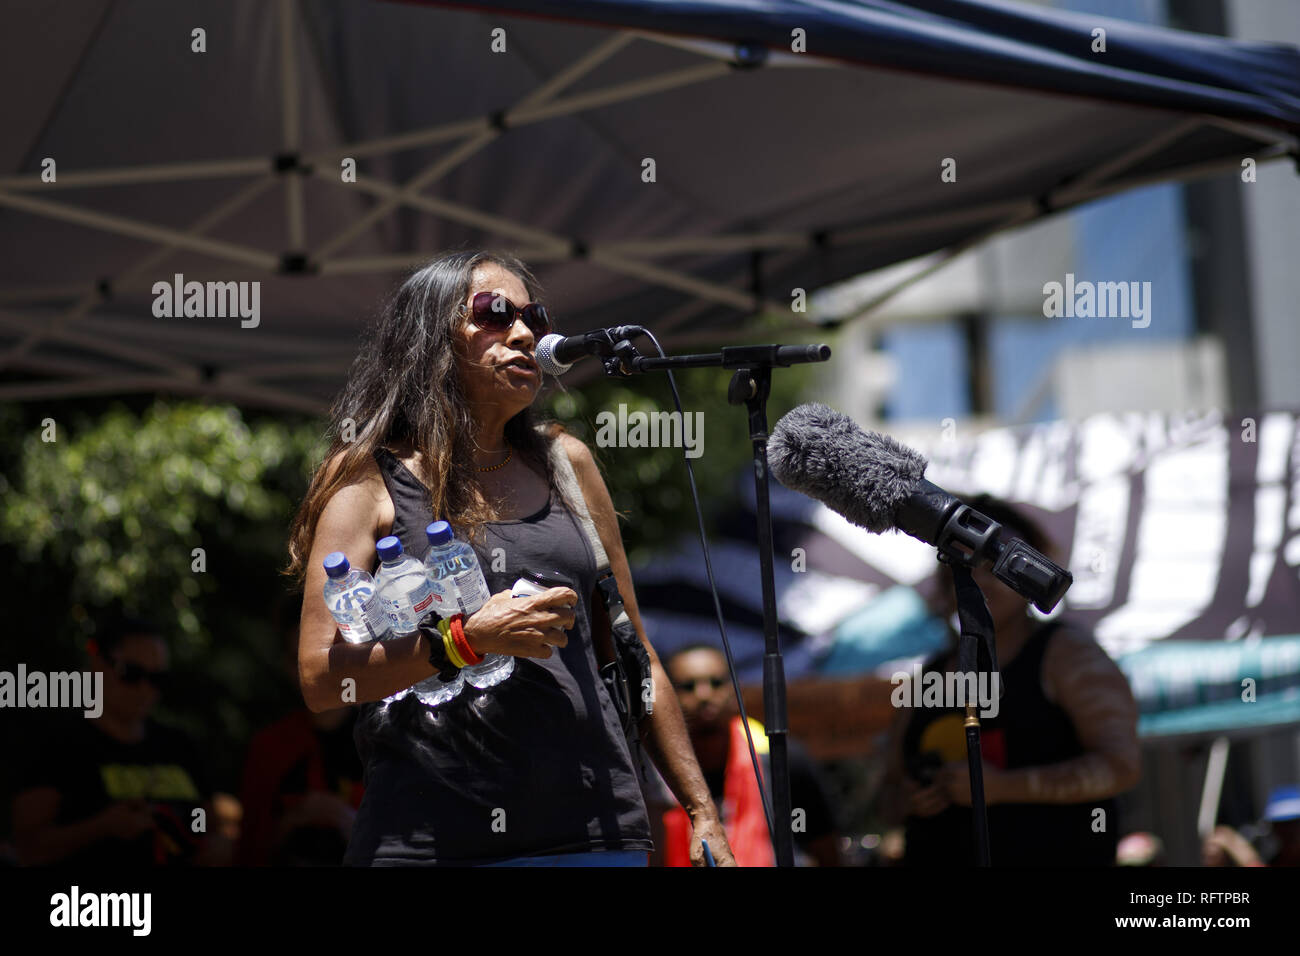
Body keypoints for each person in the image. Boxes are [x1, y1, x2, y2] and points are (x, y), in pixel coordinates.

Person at [284, 250, 735, 866]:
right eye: (494, 314)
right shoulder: (370, 479)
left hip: (591, 830)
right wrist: (466, 640)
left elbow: (630, 649)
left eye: (532, 315)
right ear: (431, 339)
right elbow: (319, 678)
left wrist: (701, 810)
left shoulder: (564, 462)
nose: (525, 333)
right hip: (431, 840)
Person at [879, 495, 1141, 866]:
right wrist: (906, 799)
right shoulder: (931, 673)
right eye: (963, 563)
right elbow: (888, 792)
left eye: (995, 563)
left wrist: (1004, 787)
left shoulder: (1066, 654)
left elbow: (1121, 766)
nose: (980, 578)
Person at [11, 614, 222, 866]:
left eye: (157, 679)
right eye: (131, 673)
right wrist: (102, 827)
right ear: (97, 665)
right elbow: (28, 850)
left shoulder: (180, 746)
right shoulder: (57, 746)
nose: (146, 688)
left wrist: (213, 845)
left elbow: (211, 831)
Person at [651, 644, 842, 866]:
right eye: (687, 686)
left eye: (716, 683)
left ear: (735, 690)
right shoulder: (652, 769)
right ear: (668, 695)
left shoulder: (781, 760)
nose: (703, 694)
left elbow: (826, 850)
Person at [236, 599, 364, 866]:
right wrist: (288, 825)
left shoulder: (381, 740)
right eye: (303, 659)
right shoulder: (269, 748)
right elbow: (249, 849)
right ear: (288, 667)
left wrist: (348, 822)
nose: (319, 670)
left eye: (331, 654)